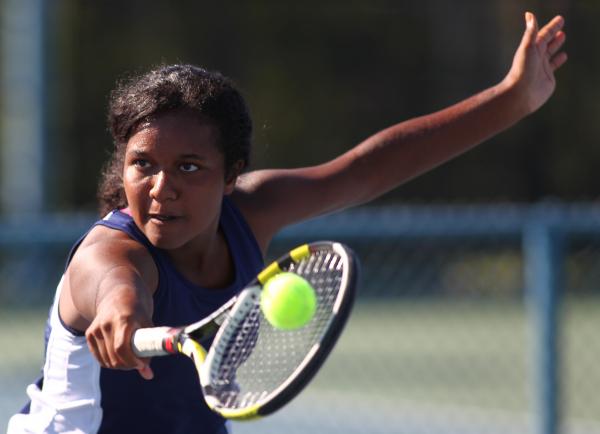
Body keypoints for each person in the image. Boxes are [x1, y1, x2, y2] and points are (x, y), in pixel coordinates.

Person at [8, 11, 566, 434]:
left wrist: (510, 100)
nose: (161, 187)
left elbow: (367, 170)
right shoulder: (111, 253)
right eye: (143, 165)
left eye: (189, 167)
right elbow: (115, 288)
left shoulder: (251, 212)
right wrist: (120, 315)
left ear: (233, 175)